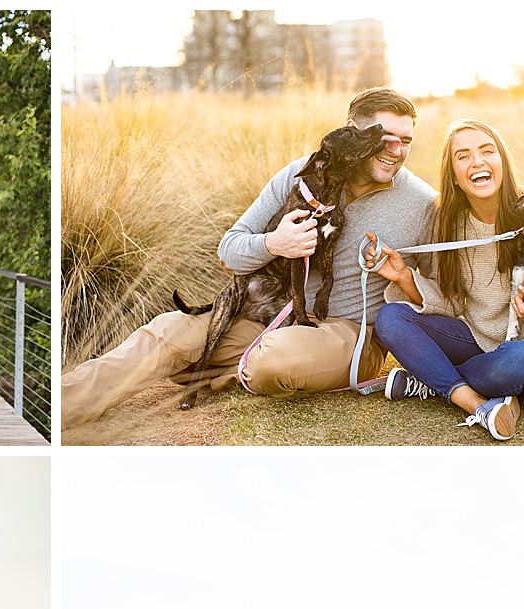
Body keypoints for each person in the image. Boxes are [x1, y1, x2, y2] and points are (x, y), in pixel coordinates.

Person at [60, 88, 438, 429]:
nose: (395, 150)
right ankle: (61, 408)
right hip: (269, 316)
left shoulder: (421, 203)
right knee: (168, 332)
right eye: (384, 137)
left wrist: (405, 279)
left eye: (404, 141)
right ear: (352, 129)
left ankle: (215, 369)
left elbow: (445, 294)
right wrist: (274, 243)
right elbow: (230, 251)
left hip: (348, 334)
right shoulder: (298, 176)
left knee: (271, 363)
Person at [365, 119, 524, 441]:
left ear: (502, 162)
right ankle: (473, 399)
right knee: (392, 317)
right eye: (463, 156)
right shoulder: (447, 222)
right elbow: (448, 302)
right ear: (454, 176)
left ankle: (433, 379)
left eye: (487, 151)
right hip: (477, 342)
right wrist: (405, 277)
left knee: (510, 364)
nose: (477, 161)